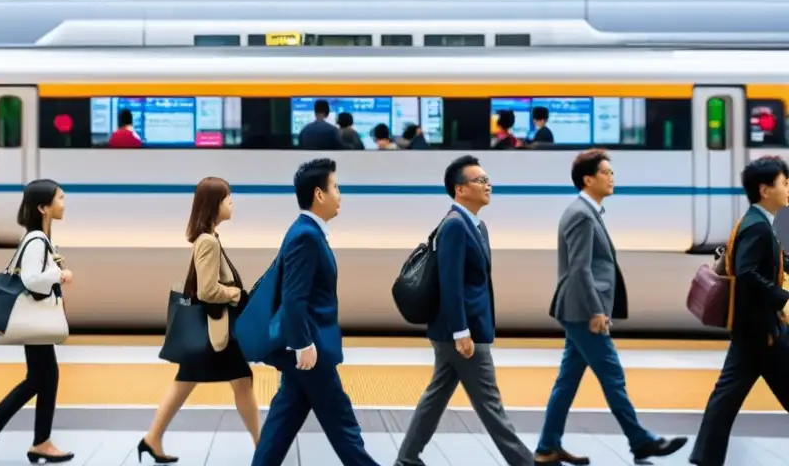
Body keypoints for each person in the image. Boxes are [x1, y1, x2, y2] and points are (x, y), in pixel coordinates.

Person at [534, 150, 685, 464]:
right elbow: (580, 269)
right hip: (582, 311)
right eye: (606, 172)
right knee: (612, 374)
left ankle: (547, 447)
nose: (612, 177)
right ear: (588, 179)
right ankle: (641, 441)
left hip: (577, 309)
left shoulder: (588, 212)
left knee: (567, 380)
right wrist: (596, 311)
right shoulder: (581, 214)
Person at [396, 156, 532, 466]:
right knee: (490, 404)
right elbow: (450, 284)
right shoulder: (455, 226)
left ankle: (406, 459)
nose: (488, 185)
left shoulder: (478, 226)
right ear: (460, 190)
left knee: (436, 397)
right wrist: (461, 332)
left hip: (464, 329)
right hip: (460, 331)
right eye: (479, 180)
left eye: (487, 179)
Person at [251, 158, 380, 466]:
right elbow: (294, 297)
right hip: (312, 351)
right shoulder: (306, 236)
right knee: (343, 426)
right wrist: (302, 344)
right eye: (335, 187)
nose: (340, 194)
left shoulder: (307, 232)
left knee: (281, 423)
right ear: (319, 194)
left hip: (308, 350)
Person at [140, 177, 259, 463]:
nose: (231, 202)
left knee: (189, 381)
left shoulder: (209, 238)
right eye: (227, 197)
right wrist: (233, 293)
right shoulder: (208, 242)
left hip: (209, 331)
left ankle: (151, 439)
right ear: (214, 204)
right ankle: (264, 447)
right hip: (215, 329)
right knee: (241, 381)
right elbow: (207, 291)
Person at [689, 156, 789, 466]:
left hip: (753, 328)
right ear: (764, 189)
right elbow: (746, 273)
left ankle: (705, 457)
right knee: (727, 395)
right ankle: (705, 457)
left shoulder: (754, 221)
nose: (788, 189)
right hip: (762, 330)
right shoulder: (757, 227)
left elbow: (764, 262)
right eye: (784, 183)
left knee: (726, 396)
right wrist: (780, 296)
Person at [0, 179, 74, 463]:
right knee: (43, 378)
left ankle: (38, 440)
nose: (64, 203)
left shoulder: (42, 239)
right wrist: (59, 275)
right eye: (59, 198)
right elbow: (32, 281)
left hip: (35, 321)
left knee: (42, 378)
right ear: (43, 207)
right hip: (34, 318)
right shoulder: (36, 240)